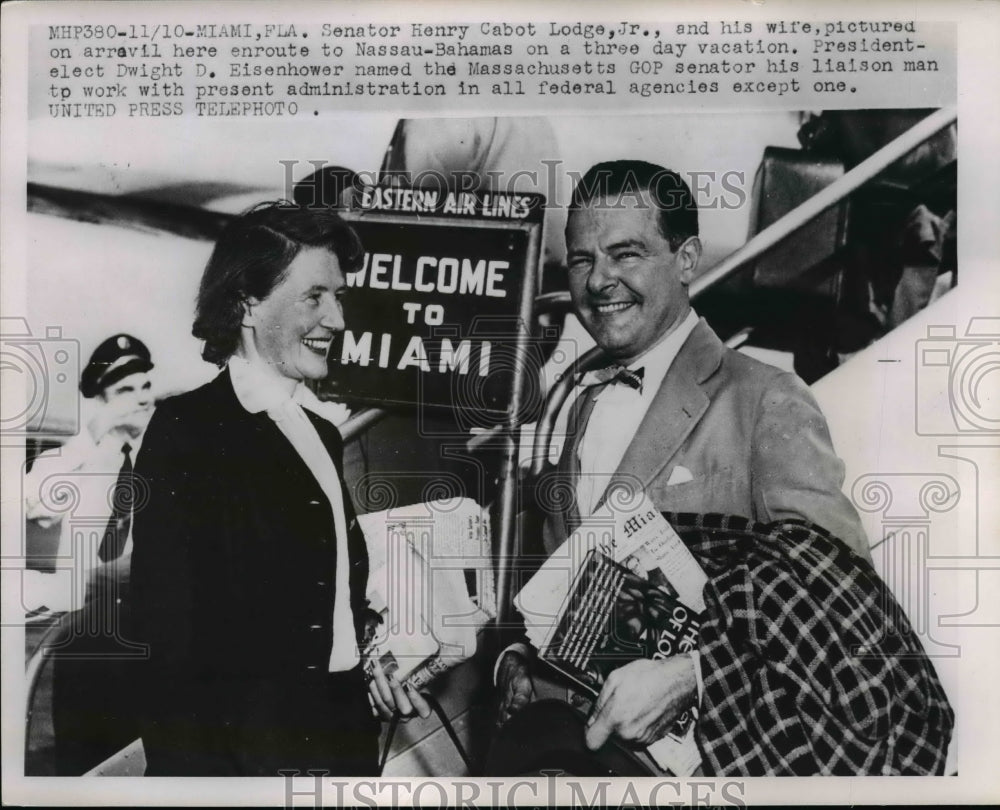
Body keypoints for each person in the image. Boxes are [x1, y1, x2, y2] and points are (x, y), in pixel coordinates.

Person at [493, 161, 951, 775]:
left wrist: (693, 675)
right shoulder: (571, 405)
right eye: (581, 259)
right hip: (571, 757)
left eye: (626, 253)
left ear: (686, 260)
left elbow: (841, 606)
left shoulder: (765, 398)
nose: (600, 279)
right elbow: (561, 592)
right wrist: (521, 659)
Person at [129, 202, 426, 777]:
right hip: (243, 763)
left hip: (340, 745)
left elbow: (323, 600)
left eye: (338, 297)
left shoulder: (316, 432)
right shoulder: (188, 430)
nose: (337, 320)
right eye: (314, 297)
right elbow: (164, 643)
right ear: (248, 302)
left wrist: (371, 658)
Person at [23, 333, 154, 773]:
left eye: (145, 386)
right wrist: (90, 438)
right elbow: (31, 501)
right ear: (100, 398)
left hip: (148, 643)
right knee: (78, 769)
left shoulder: (168, 461)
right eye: (124, 390)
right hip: (81, 642)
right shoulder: (77, 464)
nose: (140, 399)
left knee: (140, 771)